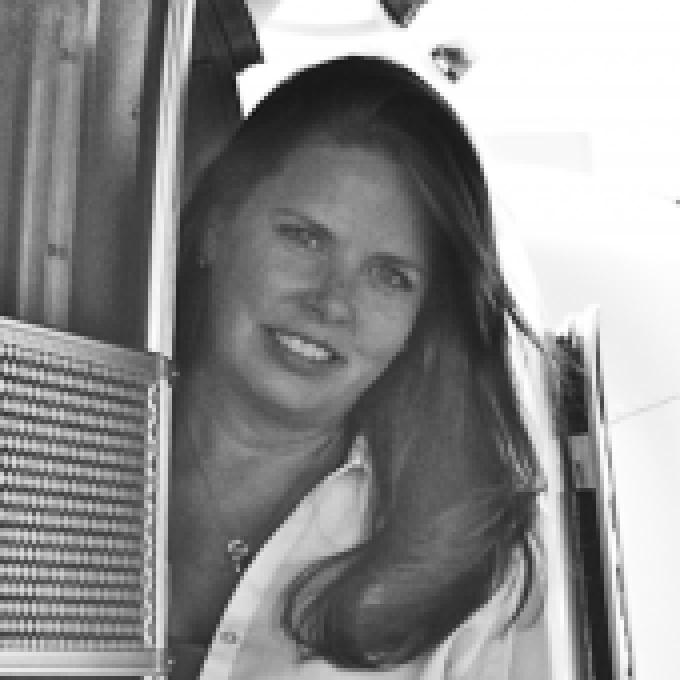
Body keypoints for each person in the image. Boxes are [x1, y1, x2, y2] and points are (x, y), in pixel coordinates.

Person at [169, 56, 548, 679]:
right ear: (216, 226)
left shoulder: (478, 576)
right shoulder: (45, 435)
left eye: (389, 277)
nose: (332, 302)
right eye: (304, 237)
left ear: (420, 320)